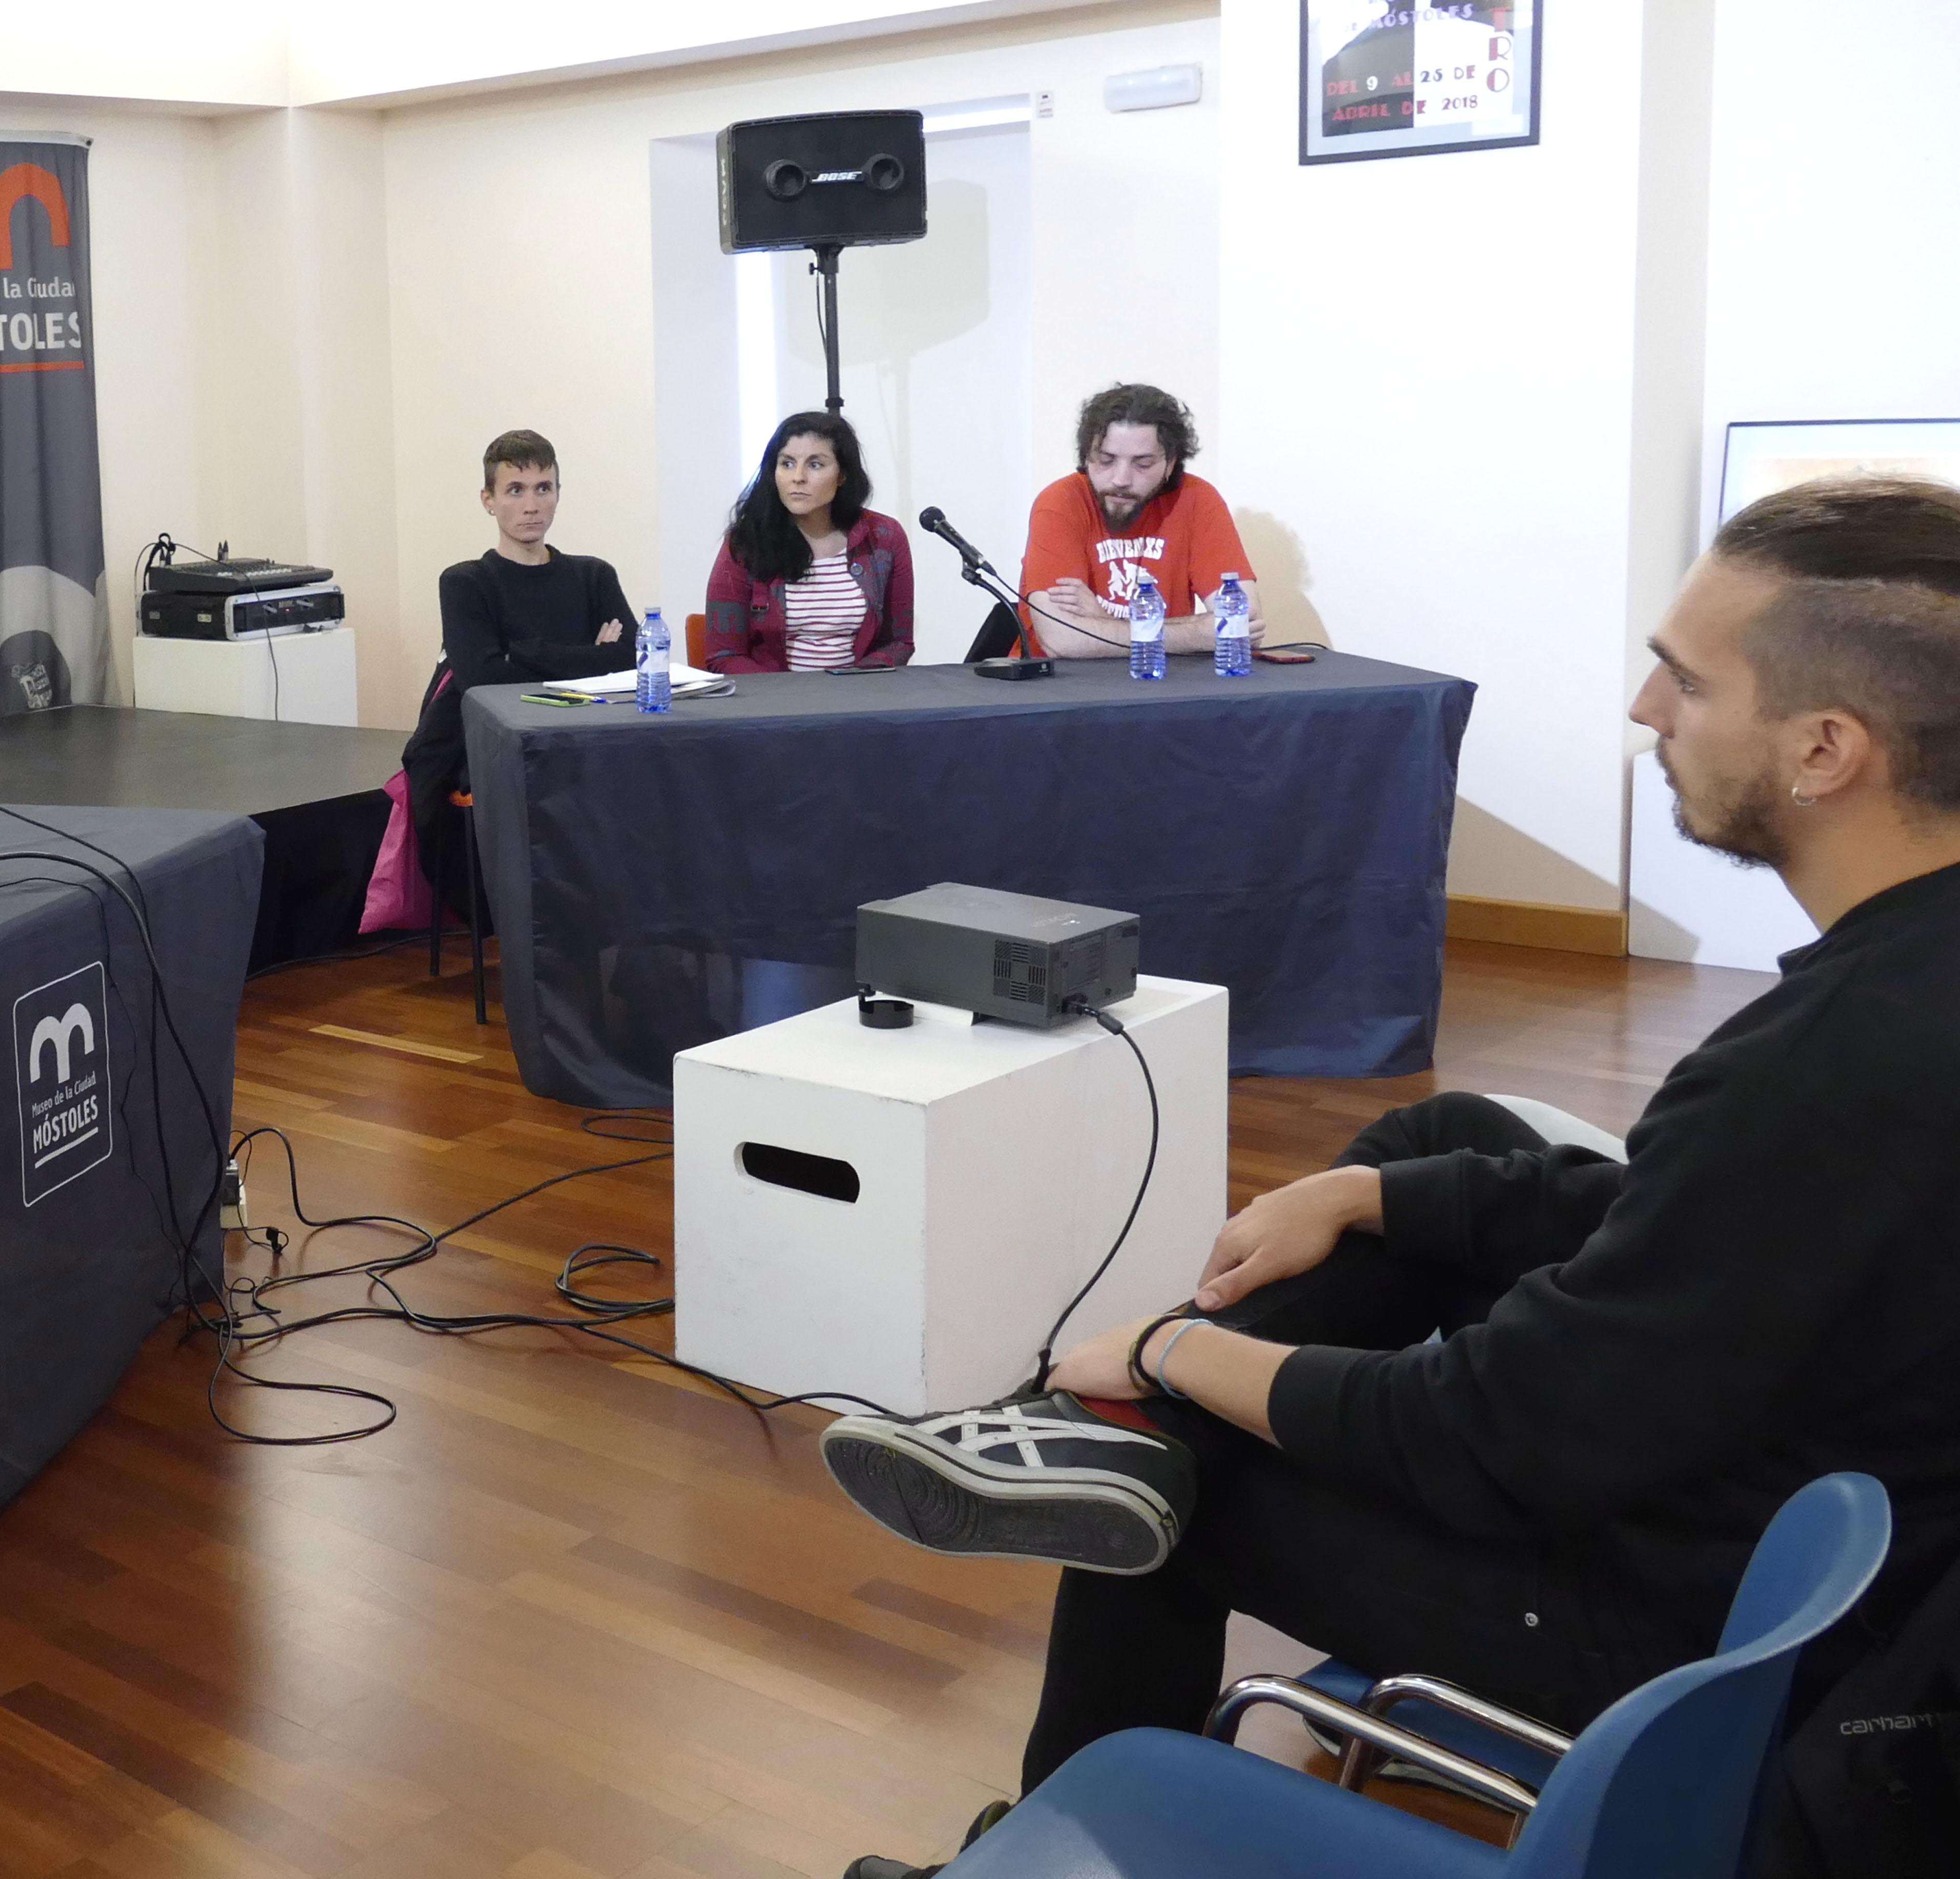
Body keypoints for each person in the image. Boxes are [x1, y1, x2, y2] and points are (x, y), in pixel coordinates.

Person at [823, 474, 1960, 1878]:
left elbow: (1489, 1436)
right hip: (1812, 1515)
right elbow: (1712, 1224)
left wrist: (1175, 1357)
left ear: (1824, 748)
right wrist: (1364, 1196)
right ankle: (1105, 1439)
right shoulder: (1891, 1009)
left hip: (1698, 1621)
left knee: (1177, 1488)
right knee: (1439, 1146)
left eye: (1684, 679)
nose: (1644, 708)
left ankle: (1065, 1714)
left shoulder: (1824, 1068)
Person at [398, 429, 637, 910]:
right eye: (515, 490)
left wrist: (525, 655)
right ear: (488, 500)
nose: (532, 506)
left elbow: (630, 659)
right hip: (496, 747)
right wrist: (589, 658)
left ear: (558, 494)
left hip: (584, 739)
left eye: (543, 488)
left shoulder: (594, 576)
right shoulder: (466, 583)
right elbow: (484, 681)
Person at [1016, 383, 1265, 660]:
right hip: (1059, 682)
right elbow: (1061, 640)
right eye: (1106, 460)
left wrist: (1103, 621)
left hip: (1162, 676)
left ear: (1170, 464)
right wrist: (1197, 633)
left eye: (1143, 464)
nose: (1121, 479)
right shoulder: (1060, 502)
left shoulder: (1197, 499)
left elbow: (1242, 622)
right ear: (1087, 456)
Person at [704, 412, 914, 672]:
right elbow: (724, 655)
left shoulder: (884, 537)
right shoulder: (745, 542)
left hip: (859, 692)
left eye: (815, 465)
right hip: (773, 694)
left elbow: (898, 643)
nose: (798, 477)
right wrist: (791, 693)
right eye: (787, 464)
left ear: (843, 475)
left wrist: (853, 684)